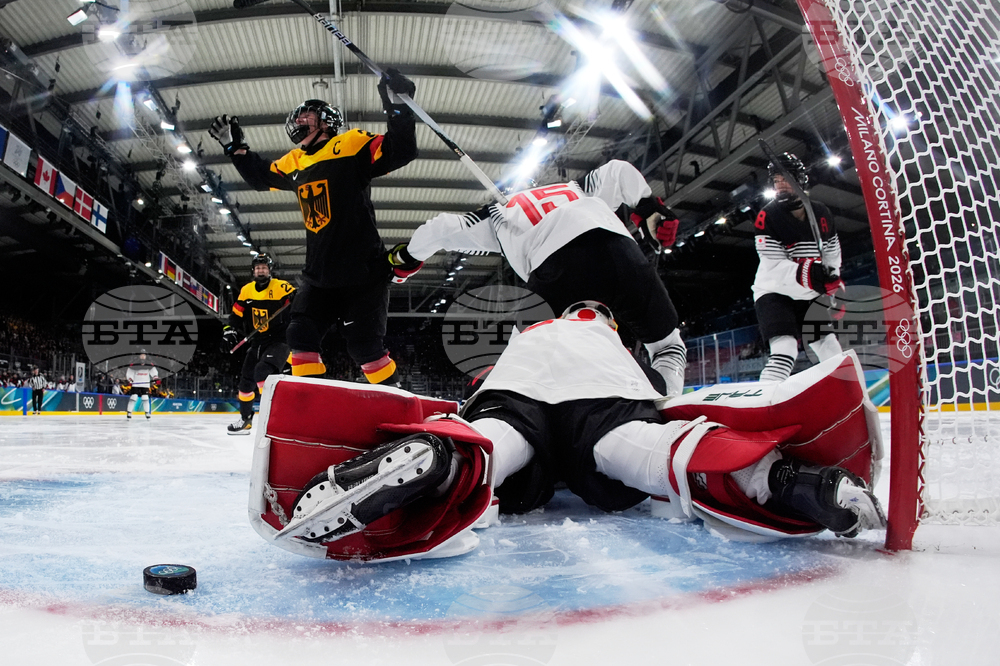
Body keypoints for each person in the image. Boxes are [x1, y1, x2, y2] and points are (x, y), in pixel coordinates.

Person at [249, 301, 885, 562]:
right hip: (603, 394)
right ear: (605, 318)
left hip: (516, 387)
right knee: (637, 450)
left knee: (500, 440)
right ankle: (785, 480)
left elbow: (489, 386)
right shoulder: (606, 337)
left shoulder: (531, 334)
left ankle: (440, 457)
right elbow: (667, 398)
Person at [391, 159, 689, 396]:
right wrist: (650, 207)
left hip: (556, 271)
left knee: (521, 364)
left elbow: (440, 229)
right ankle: (671, 402)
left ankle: (496, 415)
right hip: (621, 252)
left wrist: (407, 259)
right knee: (667, 345)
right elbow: (619, 171)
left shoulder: (497, 215)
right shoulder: (577, 188)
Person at [209, 68, 419, 387]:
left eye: (307, 115)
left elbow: (401, 150)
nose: (299, 121)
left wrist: (398, 104)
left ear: (326, 121)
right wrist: (236, 151)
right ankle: (311, 404)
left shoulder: (351, 143)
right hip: (318, 275)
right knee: (300, 336)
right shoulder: (295, 162)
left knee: (365, 348)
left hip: (363, 273)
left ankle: (397, 399)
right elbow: (260, 176)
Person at [753, 152, 845, 383]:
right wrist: (814, 274)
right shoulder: (767, 216)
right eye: (776, 180)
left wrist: (833, 285)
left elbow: (832, 255)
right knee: (785, 350)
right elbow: (774, 267)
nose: (781, 185)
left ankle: (849, 401)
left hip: (809, 295)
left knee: (832, 351)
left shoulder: (822, 213)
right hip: (775, 293)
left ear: (800, 179)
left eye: (786, 178)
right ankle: (764, 405)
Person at [222, 253, 295, 435]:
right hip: (258, 342)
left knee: (262, 372)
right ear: (253, 271)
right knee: (245, 384)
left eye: (264, 267)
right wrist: (229, 330)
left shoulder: (281, 287)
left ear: (269, 270)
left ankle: (276, 418)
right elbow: (236, 315)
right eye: (258, 268)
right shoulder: (247, 290)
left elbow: (298, 299)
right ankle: (245, 420)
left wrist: (296, 299)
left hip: (279, 341)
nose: (260, 270)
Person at [125, 350, 158, 420]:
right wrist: (130, 379)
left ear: (146, 356)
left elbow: (153, 371)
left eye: (144, 355)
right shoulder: (134, 363)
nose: (143, 356)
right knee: (133, 397)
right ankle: (129, 412)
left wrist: (155, 377)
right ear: (139, 356)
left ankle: (147, 412)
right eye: (141, 355)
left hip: (145, 384)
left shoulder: (149, 364)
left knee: (145, 398)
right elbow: (130, 372)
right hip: (136, 384)